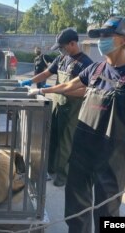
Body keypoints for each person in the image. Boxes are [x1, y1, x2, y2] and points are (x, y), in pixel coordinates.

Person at [29, 16, 125, 233]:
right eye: (99, 36)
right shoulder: (95, 69)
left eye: (107, 36)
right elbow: (67, 85)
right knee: (75, 207)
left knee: (107, 211)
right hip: (82, 151)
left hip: (112, 157)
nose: (101, 40)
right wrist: (40, 90)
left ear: (124, 40)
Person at [21, 29, 93, 186]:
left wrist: (64, 89)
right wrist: (29, 81)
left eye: (62, 47)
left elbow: (87, 91)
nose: (61, 50)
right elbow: (46, 73)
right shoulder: (62, 59)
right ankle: (51, 168)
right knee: (52, 137)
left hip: (73, 108)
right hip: (59, 104)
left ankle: (63, 175)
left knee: (65, 143)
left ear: (73, 44)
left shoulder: (85, 63)